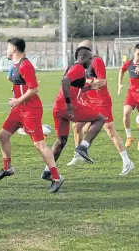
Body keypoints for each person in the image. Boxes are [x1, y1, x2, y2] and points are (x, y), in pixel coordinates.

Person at [0, 38, 64, 193]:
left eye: (7, 48)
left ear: (13, 49)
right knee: (3, 136)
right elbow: (18, 83)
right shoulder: (15, 65)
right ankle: (8, 168)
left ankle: (57, 178)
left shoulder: (25, 65)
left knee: (39, 145)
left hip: (30, 110)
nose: (5, 50)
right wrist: (16, 91)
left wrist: (18, 99)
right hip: (18, 110)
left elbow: (34, 89)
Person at [68, 41, 135, 176]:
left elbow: (102, 81)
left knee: (111, 132)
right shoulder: (81, 64)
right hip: (88, 101)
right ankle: (78, 155)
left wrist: (83, 81)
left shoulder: (97, 61)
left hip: (101, 102)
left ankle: (127, 162)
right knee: (76, 127)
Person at [41, 45, 106, 180]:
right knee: (100, 119)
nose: (91, 62)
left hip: (58, 108)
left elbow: (75, 86)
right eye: (89, 59)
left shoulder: (73, 67)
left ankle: (47, 171)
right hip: (68, 107)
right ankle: (83, 146)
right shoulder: (78, 68)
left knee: (61, 141)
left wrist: (90, 87)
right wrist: (69, 103)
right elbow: (65, 81)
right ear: (82, 57)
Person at [118, 43, 139, 151]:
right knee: (126, 113)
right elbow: (121, 71)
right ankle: (129, 136)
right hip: (131, 93)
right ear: (134, 53)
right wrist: (120, 83)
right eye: (138, 54)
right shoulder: (128, 63)